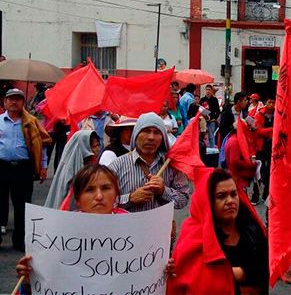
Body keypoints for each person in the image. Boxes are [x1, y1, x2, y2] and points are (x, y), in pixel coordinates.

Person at [16, 164, 175, 292]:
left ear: (116, 194)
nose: (99, 196)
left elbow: (143, 272)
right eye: (89, 190)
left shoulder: (134, 226)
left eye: (106, 188)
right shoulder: (59, 234)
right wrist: (30, 280)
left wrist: (162, 271)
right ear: (77, 199)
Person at [168, 168, 268, 294]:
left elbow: (266, 269)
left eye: (233, 194)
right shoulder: (193, 239)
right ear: (208, 202)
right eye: (221, 196)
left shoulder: (253, 229)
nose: (230, 201)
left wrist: (232, 273)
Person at [107, 112, 191, 213]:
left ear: (163, 137)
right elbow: (105, 200)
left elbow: (183, 200)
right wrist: (130, 198)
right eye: (146, 131)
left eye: (156, 132)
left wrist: (164, 191)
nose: (151, 137)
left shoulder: (172, 165)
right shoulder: (117, 166)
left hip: (161, 228)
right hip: (127, 228)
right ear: (136, 134)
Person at [0, 88, 51, 251]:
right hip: (1, 166)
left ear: (23, 103)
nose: (14, 102)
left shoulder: (31, 122)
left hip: (23, 168)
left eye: (18, 99)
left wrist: (43, 166)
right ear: (5, 102)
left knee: (22, 206)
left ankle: (20, 240)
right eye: (11, 99)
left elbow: (42, 144)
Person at [44, 130, 101, 208]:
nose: (98, 149)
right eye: (94, 147)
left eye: (98, 145)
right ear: (85, 148)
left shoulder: (91, 164)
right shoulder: (69, 169)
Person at [200, 84, 221, 148]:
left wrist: (215, 118)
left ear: (211, 91)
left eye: (209, 90)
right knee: (203, 135)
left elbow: (218, 111)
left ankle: (211, 149)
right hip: (203, 119)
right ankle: (203, 148)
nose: (208, 91)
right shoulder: (202, 99)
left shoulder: (215, 100)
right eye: (206, 90)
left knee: (211, 135)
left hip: (212, 120)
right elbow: (200, 109)